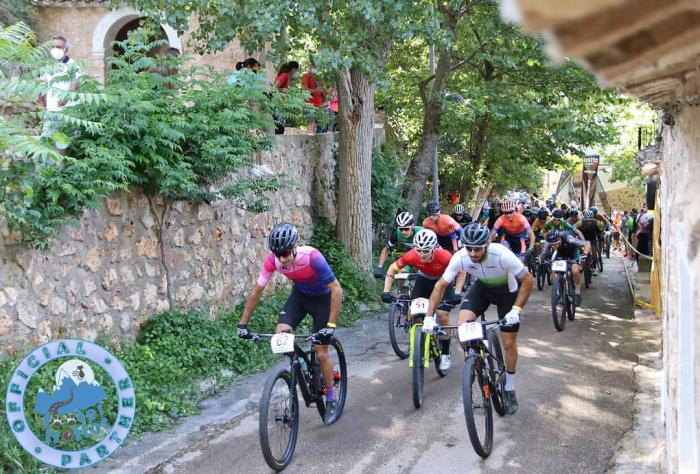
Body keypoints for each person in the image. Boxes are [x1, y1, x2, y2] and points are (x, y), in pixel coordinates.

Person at [236, 223, 343, 424]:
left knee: (321, 352)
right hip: (300, 298)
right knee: (281, 335)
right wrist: (243, 325)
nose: (282, 258)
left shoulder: (312, 257)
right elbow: (256, 292)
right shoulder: (273, 262)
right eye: (278, 254)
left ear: (295, 246)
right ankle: (301, 366)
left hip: (323, 300)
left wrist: (330, 327)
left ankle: (330, 397)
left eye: (285, 253)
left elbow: (337, 290)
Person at [426, 223, 534, 414]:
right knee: (462, 326)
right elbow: (440, 286)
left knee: (508, 343)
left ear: (487, 244)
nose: (473, 253)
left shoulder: (501, 254)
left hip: (506, 293)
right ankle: (473, 360)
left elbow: (528, 280)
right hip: (482, 290)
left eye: (478, 249)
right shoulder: (460, 257)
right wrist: (428, 317)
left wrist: (516, 310)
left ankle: (509, 387)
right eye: (469, 249)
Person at [381, 229, 460, 371]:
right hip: (423, 280)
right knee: (414, 313)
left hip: (443, 281)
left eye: (426, 251)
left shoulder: (445, 256)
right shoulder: (412, 255)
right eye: (419, 250)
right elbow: (392, 269)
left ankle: (446, 353)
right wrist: (386, 291)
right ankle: (418, 343)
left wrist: (457, 292)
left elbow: (461, 271)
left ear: (434, 248)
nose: (422, 254)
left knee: (442, 315)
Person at [39, 35, 81, 144]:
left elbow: (75, 81)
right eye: (53, 47)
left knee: (69, 143)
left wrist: (67, 96)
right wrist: (40, 98)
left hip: (69, 111)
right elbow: (42, 82)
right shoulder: (47, 66)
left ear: (65, 49)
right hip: (51, 110)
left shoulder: (73, 64)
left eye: (59, 47)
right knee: (46, 141)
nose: (55, 49)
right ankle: (45, 161)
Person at [540, 230, 590, 306]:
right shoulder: (548, 242)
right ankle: (557, 291)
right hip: (560, 252)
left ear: (560, 239)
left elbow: (587, 243)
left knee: (575, 271)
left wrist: (585, 254)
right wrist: (540, 259)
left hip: (573, 251)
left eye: (555, 244)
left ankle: (577, 292)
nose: (553, 246)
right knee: (553, 268)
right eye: (552, 245)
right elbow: (544, 252)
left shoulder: (569, 239)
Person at [374, 211, 423, 278]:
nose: (403, 232)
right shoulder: (397, 234)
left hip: (423, 255)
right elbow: (386, 249)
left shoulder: (421, 232)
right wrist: (380, 266)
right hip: (410, 255)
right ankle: (401, 288)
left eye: (406, 229)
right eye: (401, 229)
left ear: (412, 226)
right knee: (401, 273)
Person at [273, 61, 300, 134]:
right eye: (296, 70)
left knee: (280, 128)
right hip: (279, 104)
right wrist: (284, 93)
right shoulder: (285, 75)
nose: (296, 72)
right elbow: (275, 87)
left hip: (282, 105)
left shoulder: (287, 77)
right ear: (293, 69)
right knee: (279, 128)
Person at [300, 62, 326, 134]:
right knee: (310, 122)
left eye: (316, 66)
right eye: (313, 66)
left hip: (319, 105)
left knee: (318, 126)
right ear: (311, 66)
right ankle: (309, 140)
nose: (315, 68)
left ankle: (314, 142)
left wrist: (324, 95)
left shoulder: (320, 77)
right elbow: (304, 89)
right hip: (309, 104)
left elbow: (323, 91)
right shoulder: (305, 76)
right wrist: (316, 90)